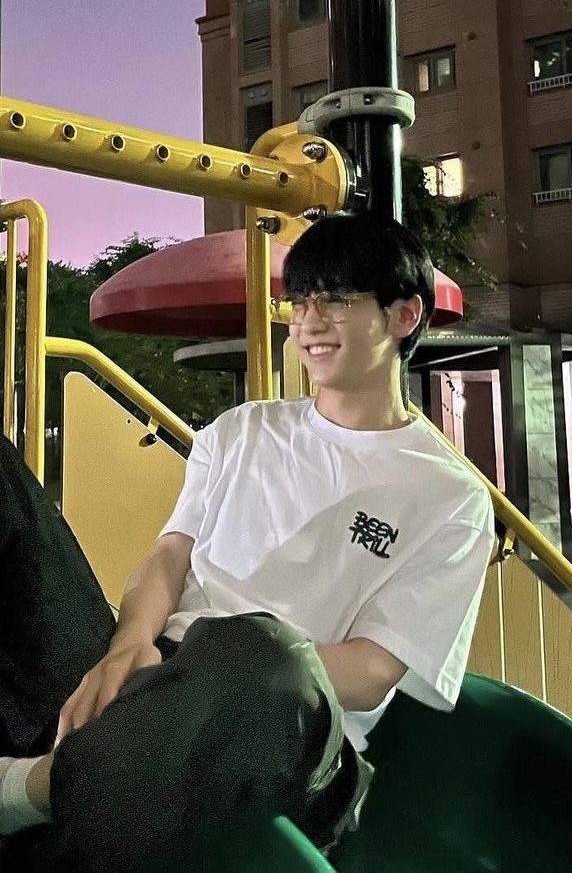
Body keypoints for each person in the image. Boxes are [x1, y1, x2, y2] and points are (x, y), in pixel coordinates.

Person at [0, 211, 494, 871]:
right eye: (300, 302)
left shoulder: (449, 497)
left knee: (260, 645)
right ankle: (92, 766)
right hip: (152, 673)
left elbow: (373, 671)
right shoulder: (241, 431)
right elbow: (170, 554)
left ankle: (26, 791)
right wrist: (129, 644)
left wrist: (201, 676)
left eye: (336, 301)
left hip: (282, 728)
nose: (309, 323)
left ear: (404, 316)